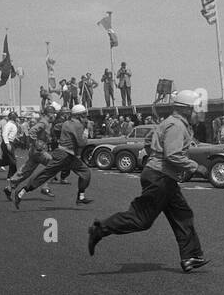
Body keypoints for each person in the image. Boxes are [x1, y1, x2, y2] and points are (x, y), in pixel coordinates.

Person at [87, 89, 208, 272]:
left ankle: (191, 256)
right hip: (161, 178)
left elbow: (148, 142)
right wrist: (195, 167)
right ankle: (100, 229)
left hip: (161, 176)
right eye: (194, 109)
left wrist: (158, 162)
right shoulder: (176, 126)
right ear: (185, 109)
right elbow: (173, 154)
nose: (196, 112)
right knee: (141, 219)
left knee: (183, 215)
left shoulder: (168, 122)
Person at [13, 104, 91, 207]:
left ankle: (81, 197)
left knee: (84, 172)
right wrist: (86, 131)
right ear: (78, 116)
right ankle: (21, 192)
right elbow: (82, 143)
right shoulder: (78, 125)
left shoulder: (66, 123)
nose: (85, 117)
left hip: (66, 155)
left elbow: (57, 128)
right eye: (84, 115)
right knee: (45, 174)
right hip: (64, 156)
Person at [0, 110, 20, 177]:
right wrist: (7, 144)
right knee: (12, 161)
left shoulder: (11, 124)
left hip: (9, 142)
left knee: (10, 160)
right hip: (8, 143)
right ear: (14, 117)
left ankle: (12, 175)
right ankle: (12, 175)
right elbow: (4, 134)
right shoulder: (9, 125)